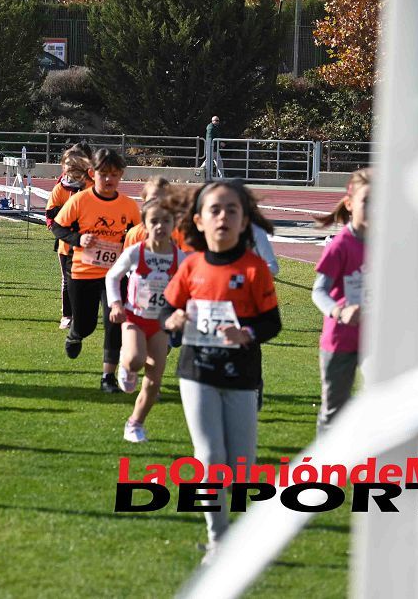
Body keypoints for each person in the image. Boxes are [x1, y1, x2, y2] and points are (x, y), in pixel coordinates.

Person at [162, 180, 282, 561]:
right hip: (197, 370)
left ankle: (238, 531)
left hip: (242, 374)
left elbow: (272, 323)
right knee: (210, 457)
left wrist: (244, 332)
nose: (223, 217)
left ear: (244, 220)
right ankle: (220, 541)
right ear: (199, 219)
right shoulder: (191, 265)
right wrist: (175, 317)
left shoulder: (254, 268)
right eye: (215, 209)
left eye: (232, 210)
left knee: (242, 467)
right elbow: (167, 310)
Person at [52, 148, 141, 393]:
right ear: (93, 173)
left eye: (114, 174)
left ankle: (107, 378)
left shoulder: (129, 206)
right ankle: (75, 333)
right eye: (103, 174)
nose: (109, 179)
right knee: (87, 324)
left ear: (121, 175)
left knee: (115, 322)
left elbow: (139, 235)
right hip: (82, 273)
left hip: (115, 274)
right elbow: (58, 227)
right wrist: (78, 239)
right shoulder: (80, 200)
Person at [106, 197, 186, 442]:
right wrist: (116, 304)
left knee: (154, 379)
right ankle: (126, 365)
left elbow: (189, 285)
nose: (160, 226)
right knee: (135, 360)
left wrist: (182, 311)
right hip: (134, 316)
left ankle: (135, 424)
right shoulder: (135, 252)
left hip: (160, 323)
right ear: (145, 224)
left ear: (174, 224)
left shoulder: (179, 256)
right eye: (154, 221)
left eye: (166, 221)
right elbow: (112, 277)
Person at [311, 168, 370, 434]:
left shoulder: (387, 243)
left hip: (376, 341)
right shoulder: (341, 245)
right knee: (334, 412)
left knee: (380, 405)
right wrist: (339, 311)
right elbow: (318, 291)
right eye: (367, 201)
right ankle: (324, 467)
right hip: (340, 341)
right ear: (350, 204)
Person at [45, 149, 93, 330]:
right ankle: (67, 315)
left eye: (77, 164)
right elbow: (50, 215)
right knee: (67, 279)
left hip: (89, 242)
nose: (73, 168)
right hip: (66, 243)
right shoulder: (60, 188)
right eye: (69, 164)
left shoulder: (92, 186)